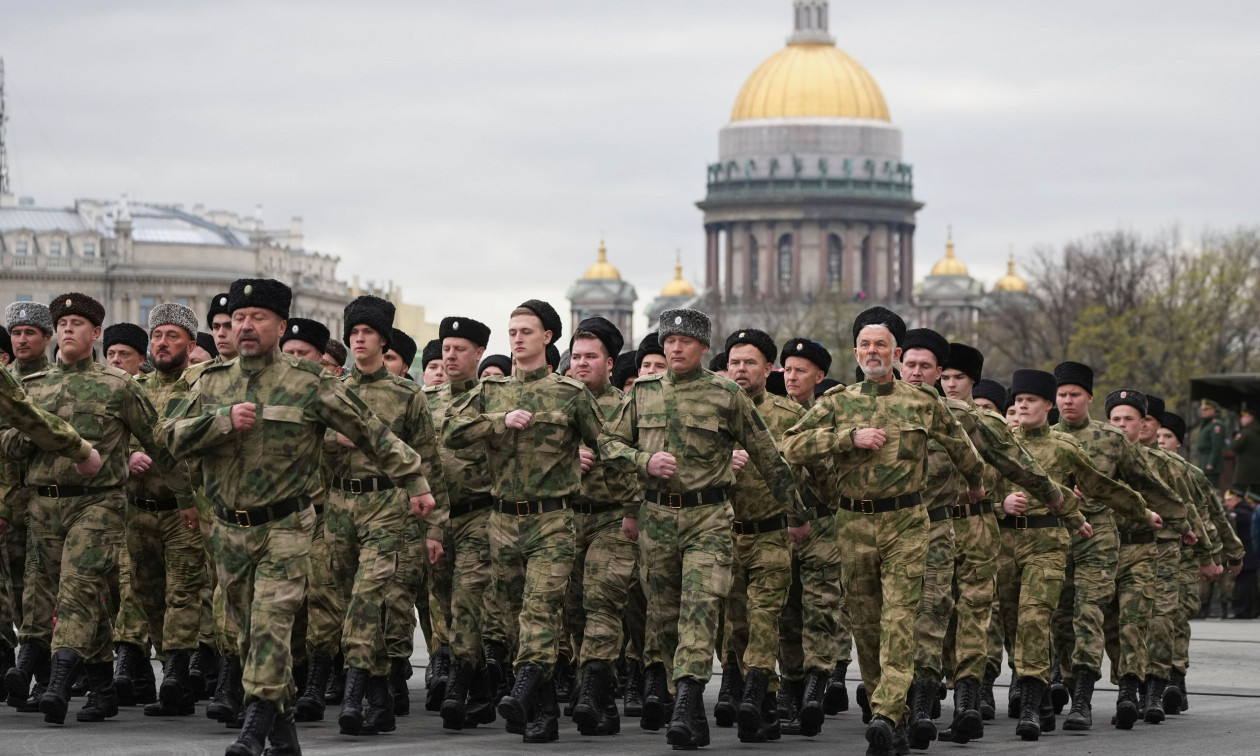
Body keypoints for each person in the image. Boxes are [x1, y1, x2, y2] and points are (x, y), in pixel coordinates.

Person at [161, 279, 438, 756]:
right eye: (240, 318)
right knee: (248, 636)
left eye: (259, 318)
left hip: (287, 528)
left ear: (281, 325)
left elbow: (372, 432)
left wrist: (415, 481)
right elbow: (166, 438)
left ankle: (253, 726)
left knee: (270, 625)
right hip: (228, 529)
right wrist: (221, 420)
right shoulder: (211, 382)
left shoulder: (309, 383)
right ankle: (283, 726)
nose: (246, 327)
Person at [781, 307, 985, 756]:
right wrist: (844, 438)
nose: (873, 352)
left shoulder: (922, 401)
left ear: (896, 353)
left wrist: (974, 484)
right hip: (852, 524)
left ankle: (888, 712)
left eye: (882, 345)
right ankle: (887, 711)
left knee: (898, 620)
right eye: (866, 345)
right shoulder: (837, 403)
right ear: (855, 353)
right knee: (867, 625)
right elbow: (789, 446)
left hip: (906, 523)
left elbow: (961, 446)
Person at [597, 308, 796, 750]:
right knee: (664, 615)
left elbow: (767, 456)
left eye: (685, 342)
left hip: (708, 519)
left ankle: (688, 705)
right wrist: (642, 462)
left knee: (701, 610)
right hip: (657, 520)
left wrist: (797, 516)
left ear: (703, 348)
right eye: (669, 341)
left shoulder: (725, 394)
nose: (675, 348)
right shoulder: (643, 393)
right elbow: (608, 443)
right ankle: (674, 696)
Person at [1, 293, 181, 726]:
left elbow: (158, 443)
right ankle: (102, 687)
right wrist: (36, 437)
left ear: (95, 332)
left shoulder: (118, 387)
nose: (67, 330)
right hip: (44, 503)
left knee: (78, 587)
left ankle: (58, 682)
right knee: (51, 594)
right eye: (62, 323)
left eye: (77, 323)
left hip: (98, 503)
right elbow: (5, 441)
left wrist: (189, 499)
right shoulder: (32, 386)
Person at [445, 299, 606, 743]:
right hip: (502, 523)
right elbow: (450, 433)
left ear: (548, 338)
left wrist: (642, 464)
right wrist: (497, 422)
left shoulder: (570, 394)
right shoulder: (489, 393)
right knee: (515, 617)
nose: (516, 339)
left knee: (540, 610)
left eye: (526, 331)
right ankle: (543, 708)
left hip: (552, 522)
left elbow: (609, 444)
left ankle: (522, 691)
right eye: (512, 331)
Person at [327, 298, 448, 737]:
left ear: (383, 339)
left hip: (389, 508)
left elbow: (430, 463)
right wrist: (330, 438)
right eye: (353, 332)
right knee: (350, 606)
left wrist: (435, 525)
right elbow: (300, 441)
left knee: (367, 601)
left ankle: (355, 694)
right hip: (340, 508)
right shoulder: (330, 390)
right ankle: (380, 697)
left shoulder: (406, 394)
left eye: (367, 333)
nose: (359, 339)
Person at [718, 329, 810, 743]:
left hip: (773, 533)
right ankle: (768, 704)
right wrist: (723, 463)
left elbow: (809, 475)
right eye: (735, 362)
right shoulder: (712, 413)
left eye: (750, 362)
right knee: (737, 624)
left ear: (768, 368)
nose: (741, 369)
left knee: (764, 617)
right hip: (725, 534)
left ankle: (756, 692)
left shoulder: (789, 417)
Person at [124, 304, 207, 718]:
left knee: (183, 593)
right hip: (138, 511)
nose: (162, 343)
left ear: (190, 345)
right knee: (148, 592)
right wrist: (128, 454)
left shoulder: (201, 386)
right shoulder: (133, 387)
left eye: (172, 336)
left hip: (183, 512)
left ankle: (176, 673)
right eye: (157, 335)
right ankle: (166, 667)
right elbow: (108, 435)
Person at [565, 317, 641, 738]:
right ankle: (600, 693)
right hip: (565, 519)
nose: (580, 364)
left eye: (590, 357)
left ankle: (592, 688)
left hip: (614, 516)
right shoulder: (557, 404)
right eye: (575, 356)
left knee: (603, 599)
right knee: (573, 611)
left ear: (609, 363)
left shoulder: (628, 407)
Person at [426, 315, 499, 730]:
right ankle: (482, 687)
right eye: (446, 348)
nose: (450, 356)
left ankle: (458, 684)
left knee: (469, 599)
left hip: (479, 514)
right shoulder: (429, 401)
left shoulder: (493, 397)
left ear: (479, 353)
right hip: (438, 518)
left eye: (460, 349)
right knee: (444, 603)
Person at [775, 338, 851, 734]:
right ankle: (790, 686)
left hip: (822, 523)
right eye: (786, 369)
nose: (791, 376)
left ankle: (816, 686)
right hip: (781, 528)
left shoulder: (832, 415)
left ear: (819, 377)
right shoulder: (772, 415)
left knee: (821, 609)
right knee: (787, 612)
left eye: (800, 370)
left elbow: (836, 482)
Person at [1227, 409, 1260, 499]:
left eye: (1244, 417)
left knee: (1238, 493)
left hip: (1244, 470)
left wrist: (1234, 438)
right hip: (1258, 470)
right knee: (1256, 496)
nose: (1242, 419)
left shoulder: (1245, 433)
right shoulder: (1257, 431)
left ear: (1250, 418)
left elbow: (1234, 447)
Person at [1197, 400, 1226, 488]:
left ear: (1213, 410)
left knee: (1211, 487)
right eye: (1203, 409)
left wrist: (1211, 463)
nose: (1203, 412)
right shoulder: (1208, 424)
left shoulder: (1216, 425)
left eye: (1206, 409)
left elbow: (1217, 445)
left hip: (1210, 460)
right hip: (1204, 458)